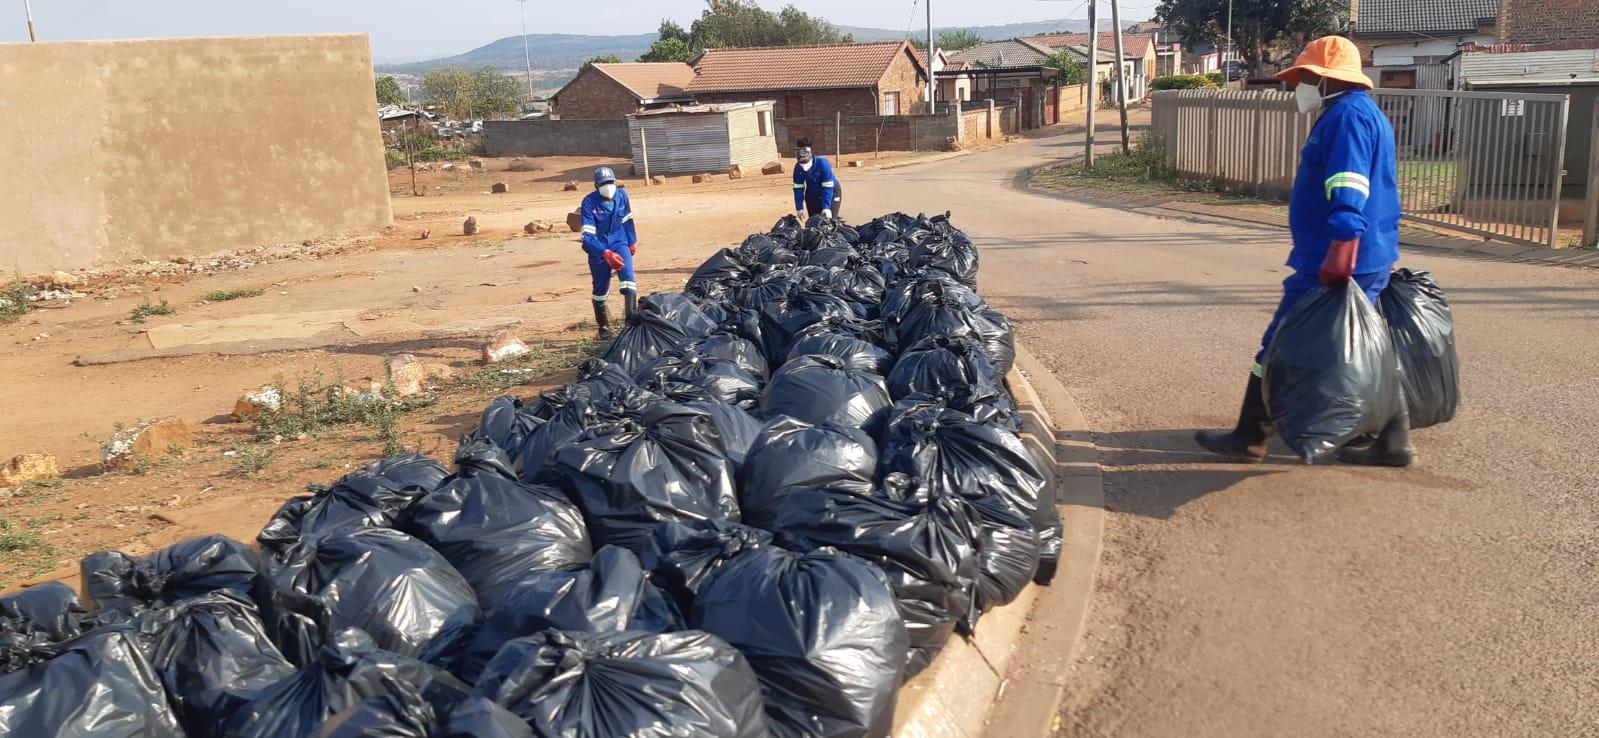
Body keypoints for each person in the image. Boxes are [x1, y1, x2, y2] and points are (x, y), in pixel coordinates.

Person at [1194, 35, 1413, 467]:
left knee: (1280, 345)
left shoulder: (1346, 117)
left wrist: (1343, 242)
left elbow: (1349, 184)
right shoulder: (1362, 114)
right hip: (1366, 254)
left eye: (1304, 78)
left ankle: (1250, 437)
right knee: (1361, 347)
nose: (1297, 88)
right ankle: (1393, 440)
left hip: (1336, 258)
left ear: (1327, 79)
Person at [579, 166, 638, 340]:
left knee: (628, 280)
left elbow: (627, 219)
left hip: (620, 242)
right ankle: (604, 326)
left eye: (611, 182)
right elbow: (588, 237)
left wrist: (632, 241)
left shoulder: (622, 196)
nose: (609, 186)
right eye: (604, 183)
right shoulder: (588, 202)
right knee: (600, 289)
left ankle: (630, 324)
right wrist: (604, 253)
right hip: (599, 247)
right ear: (597, 186)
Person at [791, 138, 842, 220]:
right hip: (812, 194)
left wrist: (826, 207)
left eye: (806, 163)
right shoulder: (798, 168)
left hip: (831, 192)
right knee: (814, 222)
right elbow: (798, 189)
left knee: (829, 221)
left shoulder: (823, 164)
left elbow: (827, 188)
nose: (804, 167)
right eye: (801, 164)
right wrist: (799, 208)